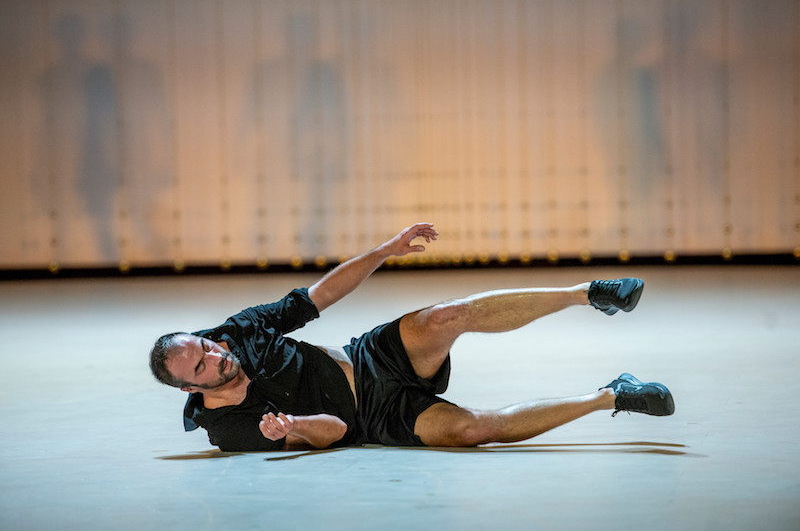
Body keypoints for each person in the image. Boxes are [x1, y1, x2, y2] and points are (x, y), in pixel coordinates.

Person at [149, 223, 674, 452]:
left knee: (446, 316)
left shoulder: (239, 331)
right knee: (473, 431)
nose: (218, 354)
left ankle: (589, 293)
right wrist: (292, 426)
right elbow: (332, 431)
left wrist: (383, 250)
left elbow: (318, 296)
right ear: (188, 390)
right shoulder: (227, 429)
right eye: (202, 364)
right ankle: (614, 394)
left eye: (207, 345)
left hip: (367, 358)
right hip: (375, 419)